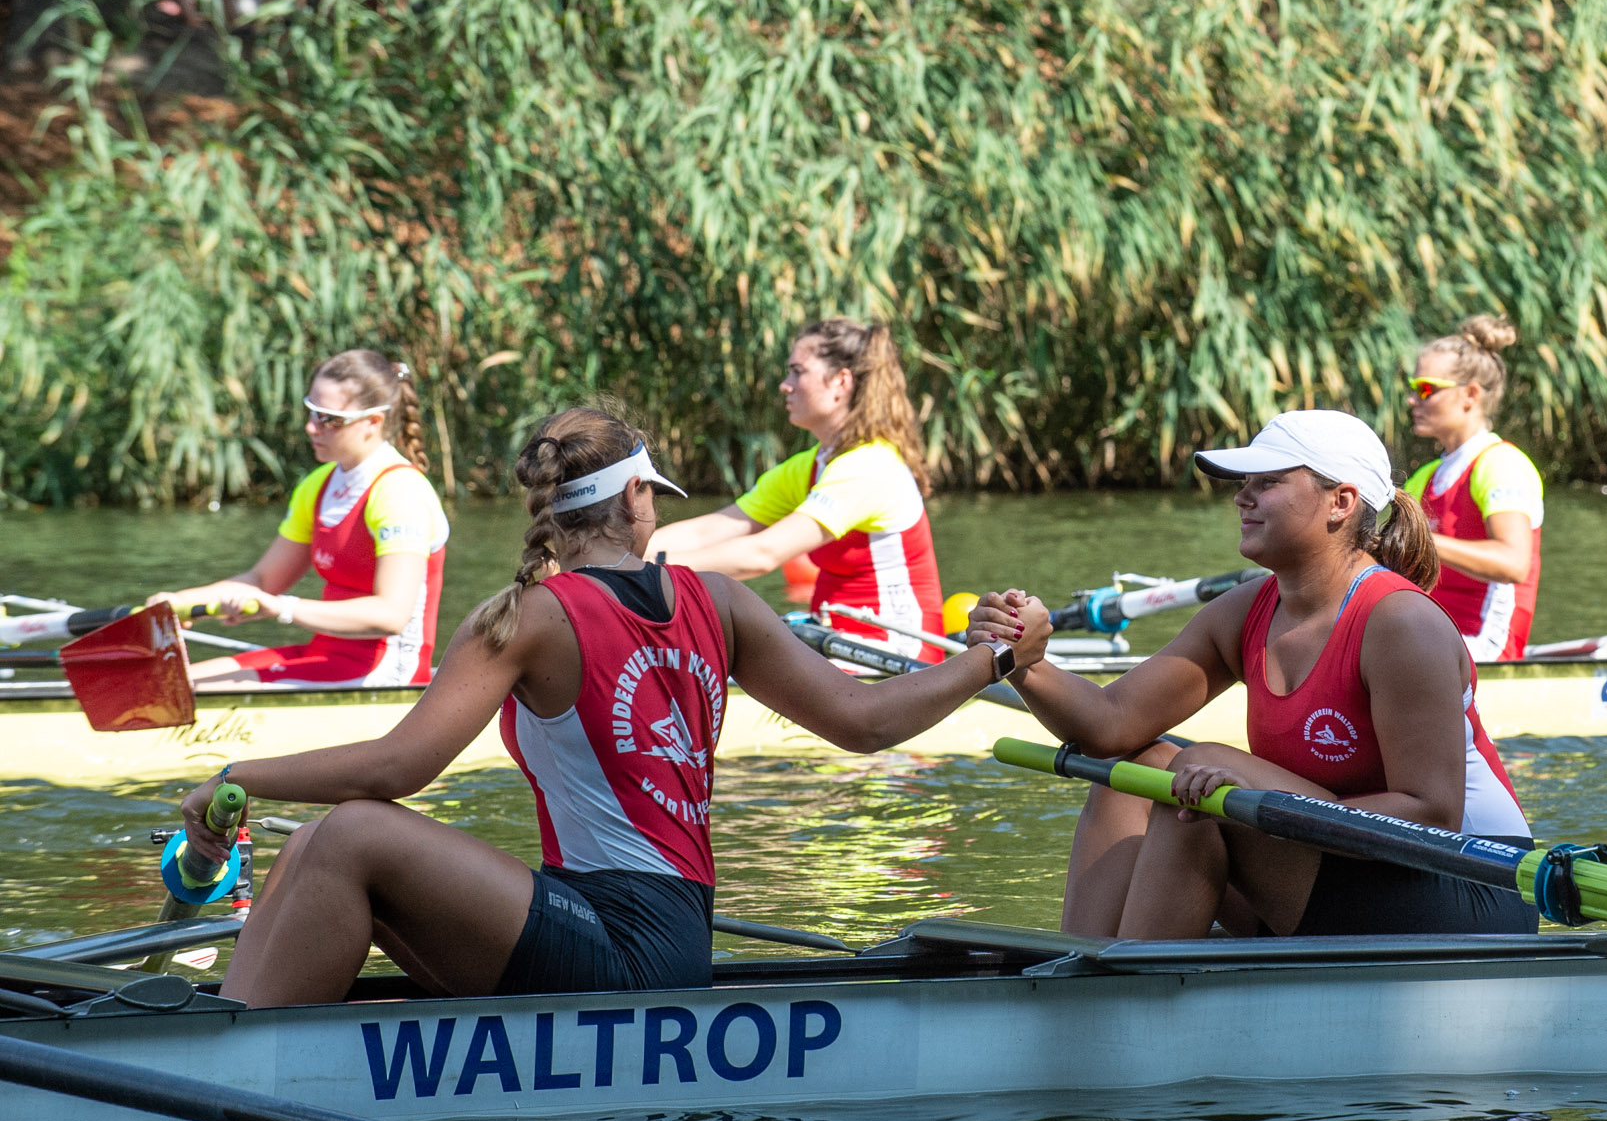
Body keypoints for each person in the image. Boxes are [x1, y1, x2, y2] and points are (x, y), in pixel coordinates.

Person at [175, 402, 1051, 1008]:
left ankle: (232, 1052)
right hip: (656, 937)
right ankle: (232, 1025)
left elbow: (402, 767)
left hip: (621, 949)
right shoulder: (723, 600)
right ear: (638, 498)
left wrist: (236, 771)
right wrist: (995, 658)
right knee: (319, 846)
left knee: (355, 831)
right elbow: (868, 722)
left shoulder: (524, 618)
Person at [988, 410, 1537, 941]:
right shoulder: (1246, 610)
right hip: (1345, 858)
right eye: (1243, 482)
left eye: (1267, 482)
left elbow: (1431, 813)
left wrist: (1260, 800)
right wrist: (1020, 661)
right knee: (1131, 765)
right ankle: (1078, 973)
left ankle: (1132, 996)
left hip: (1470, 885)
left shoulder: (1400, 622)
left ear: (1341, 502)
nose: (1241, 497)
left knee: (1205, 774)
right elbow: (1109, 723)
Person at [647, 319, 947, 661]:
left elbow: (763, 555)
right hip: (838, 645)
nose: (785, 385)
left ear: (840, 382)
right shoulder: (810, 466)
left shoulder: (870, 466)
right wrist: (620, 554)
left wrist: (646, 571)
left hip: (899, 658)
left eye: (797, 372)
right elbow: (710, 531)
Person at [154, 350, 449, 687]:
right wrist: (177, 602)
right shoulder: (318, 485)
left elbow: (391, 614)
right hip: (325, 653)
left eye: (329, 418)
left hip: (385, 672)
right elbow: (263, 581)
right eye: (311, 411)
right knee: (171, 680)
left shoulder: (400, 491)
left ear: (373, 423)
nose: (311, 427)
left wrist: (281, 608)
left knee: (187, 690)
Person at [1403, 314, 1543, 661]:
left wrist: (1424, 540)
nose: (1412, 399)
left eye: (1425, 389)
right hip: (1432, 636)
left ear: (1470, 394)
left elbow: (1512, 564)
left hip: (1486, 646)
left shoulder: (1500, 465)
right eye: (1412, 387)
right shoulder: (1424, 478)